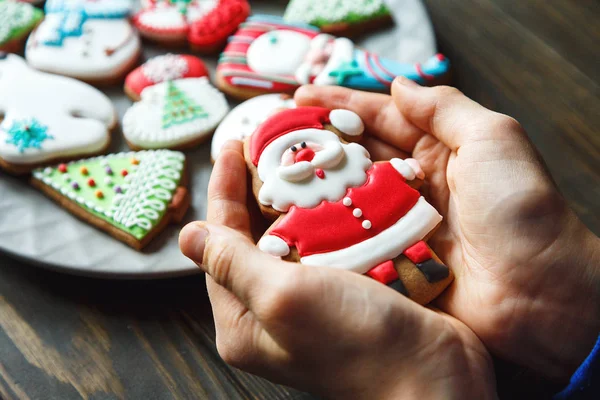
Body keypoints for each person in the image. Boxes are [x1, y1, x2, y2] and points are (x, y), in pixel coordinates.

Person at [179, 78, 600, 399]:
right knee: (385, 270)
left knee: (419, 256)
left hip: (401, 222)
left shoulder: (366, 171)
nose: (307, 158)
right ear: (270, 180)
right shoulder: (293, 212)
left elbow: (392, 172)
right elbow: (284, 233)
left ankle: (425, 271)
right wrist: (278, 244)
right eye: (291, 156)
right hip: (340, 250)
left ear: (336, 139)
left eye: (309, 146)